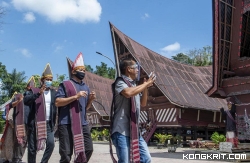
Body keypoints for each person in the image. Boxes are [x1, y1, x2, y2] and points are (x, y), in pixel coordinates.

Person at [110, 58, 155, 163]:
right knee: (125, 161)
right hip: (121, 130)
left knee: (146, 158)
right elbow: (128, 93)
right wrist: (145, 84)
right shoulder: (120, 81)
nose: (138, 70)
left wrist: (145, 88)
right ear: (129, 69)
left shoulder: (134, 85)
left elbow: (143, 103)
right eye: (136, 68)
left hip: (134, 131)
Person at [55, 52, 96, 163]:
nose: (83, 72)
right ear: (73, 71)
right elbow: (58, 102)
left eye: (84, 70)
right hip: (66, 123)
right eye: (80, 70)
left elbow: (86, 108)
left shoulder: (86, 87)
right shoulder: (65, 84)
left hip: (82, 123)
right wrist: (75, 96)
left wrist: (91, 100)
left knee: (88, 149)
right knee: (66, 155)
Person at [24, 63, 57, 163]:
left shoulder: (54, 92)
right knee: (32, 149)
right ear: (42, 80)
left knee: (51, 144)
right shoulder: (34, 91)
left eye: (51, 80)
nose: (49, 82)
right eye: (47, 79)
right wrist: (38, 94)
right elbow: (26, 100)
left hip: (48, 123)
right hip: (35, 124)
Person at [0, 76, 35, 163]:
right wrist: (19, 101)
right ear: (27, 87)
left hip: (28, 123)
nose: (32, 87)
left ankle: (18, 158)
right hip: (17, 123)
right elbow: (10, 106)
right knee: (13, 142)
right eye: (30, 85)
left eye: (33, 85)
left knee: (23, 142)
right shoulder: (19, 96)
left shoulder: (35, 98)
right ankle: (11, 158)